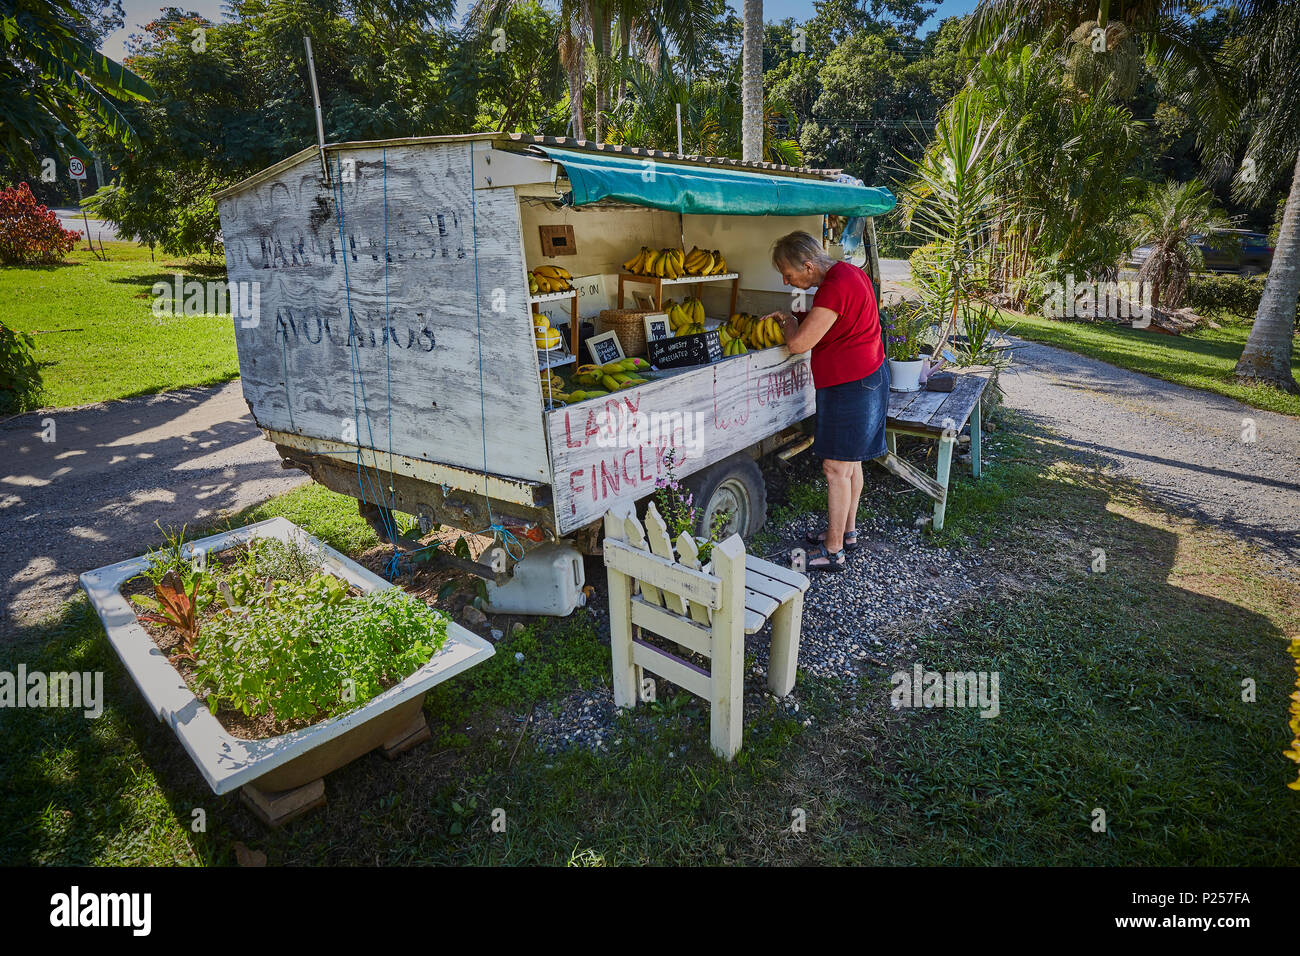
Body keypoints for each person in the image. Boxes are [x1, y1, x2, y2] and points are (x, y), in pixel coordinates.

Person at [764, 230, 888, 571]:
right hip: (866, 378)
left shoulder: (835, 285)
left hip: (852, 386)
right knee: (851, 464)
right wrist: (802, 319)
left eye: (789, 275)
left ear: (807, 266)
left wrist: (790, 322)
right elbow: (836, 323)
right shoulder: (848, 274)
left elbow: (799, 344)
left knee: (836, 468)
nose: (788, 281)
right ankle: (846, 533)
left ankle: (833, 552)